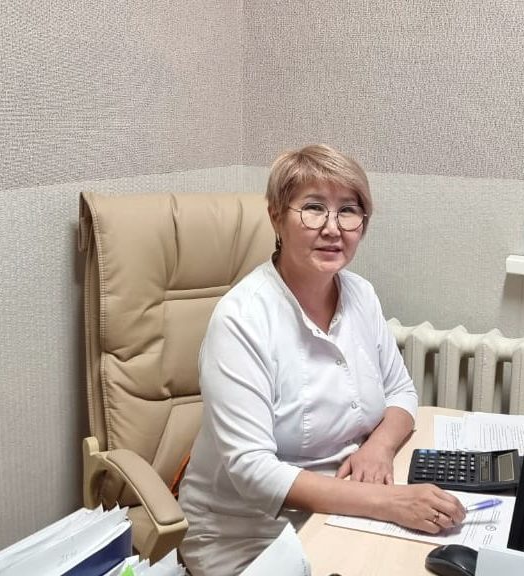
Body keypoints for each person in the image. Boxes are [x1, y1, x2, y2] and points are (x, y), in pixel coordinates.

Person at [178, 144, 466, 575]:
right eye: (313, 208)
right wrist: (387, 501)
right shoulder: (241, 320)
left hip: (340, 507)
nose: (333, 228)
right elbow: (254, 472)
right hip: (247, 534)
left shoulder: (361, 295)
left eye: (348, 211)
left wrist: (378, 448)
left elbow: (402, 393)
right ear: (276, 216)